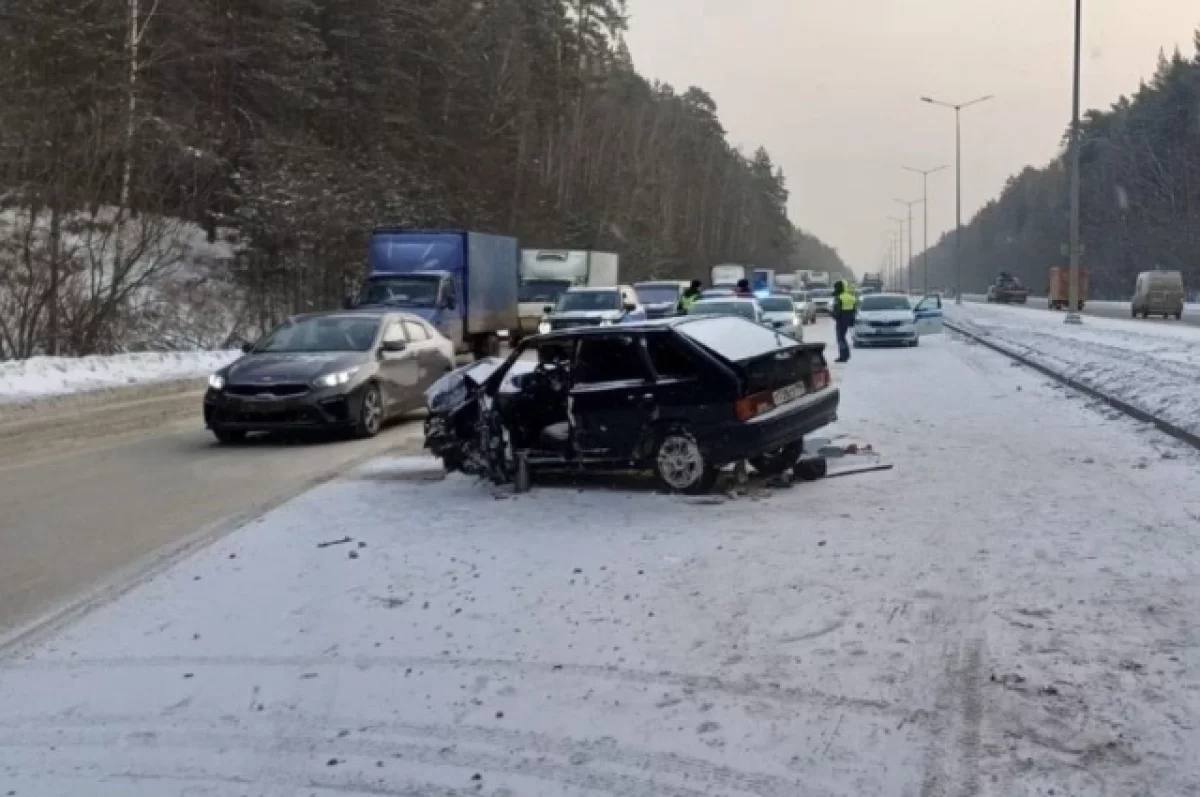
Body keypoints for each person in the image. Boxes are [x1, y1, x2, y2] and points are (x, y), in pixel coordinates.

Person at [831, 280, 857, 362]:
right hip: (848, 319)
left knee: (840, 338)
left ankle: (843, 356)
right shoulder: (850, 296)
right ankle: (846, 355)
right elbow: (854, 309)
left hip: (841, 320)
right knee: (843, 337)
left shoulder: (839, 298)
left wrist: (831, 314)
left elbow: (837, 311)